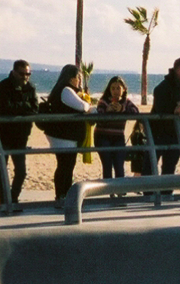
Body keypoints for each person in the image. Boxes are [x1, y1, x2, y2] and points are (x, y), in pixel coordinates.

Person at [42, 64, 93, 210]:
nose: (79, 80)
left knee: (67, 165)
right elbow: (82, 107)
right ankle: (61, 196)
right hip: (63, 135)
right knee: (65, 165)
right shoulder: (66, 90)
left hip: (65, 135)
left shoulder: (63, 90)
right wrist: (88, 106)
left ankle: (64, 195)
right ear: (71, 78)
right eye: (78, 77)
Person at [0, 59, 38, 212]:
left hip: (21, 136)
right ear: (14, 72)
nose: (25, 77)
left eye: (28, 74)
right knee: (2, 171)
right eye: (22, 74)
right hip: (4, 135)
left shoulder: (30, 88)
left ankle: (13, 198)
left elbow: (35, 109)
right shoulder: (3, 87)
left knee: (21, 171)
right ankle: (4, 200)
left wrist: (20, 107)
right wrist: (24, 107)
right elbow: (5, 108)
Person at [150, 57, 180, 176]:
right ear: (178, 70)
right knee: (150, 166)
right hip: (158, 133)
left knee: (169, 169)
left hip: (177, 134)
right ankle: (148, 194)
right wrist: (176, 107)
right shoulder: (163, 87)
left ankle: (166, 194)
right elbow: (161, 107)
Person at [95, 76, 139, 189]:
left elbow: (136, 112)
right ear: (109, 89)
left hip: (118, 136)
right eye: (113, 88)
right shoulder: (104, 101)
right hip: (103, 136)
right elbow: (98, 115)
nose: (115, 91)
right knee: (107, 165)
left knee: (119, 164)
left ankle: (120, 191)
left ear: (123, 89)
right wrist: (107, 111)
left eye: (118, 88)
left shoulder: (126, 102)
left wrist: (122, 110)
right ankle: (108, 191)